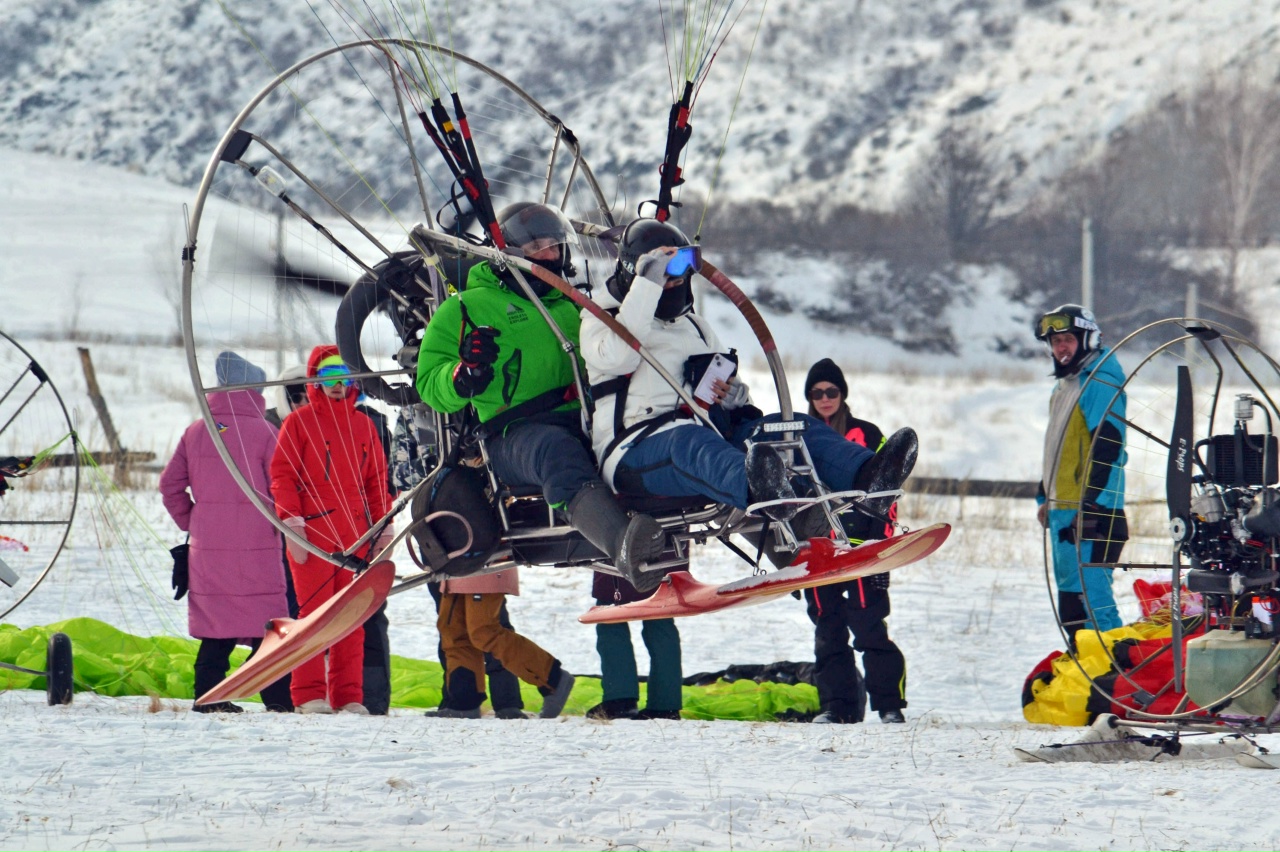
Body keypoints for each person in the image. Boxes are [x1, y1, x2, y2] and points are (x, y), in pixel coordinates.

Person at [578, 218, 918, 557]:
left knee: (790, 425)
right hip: (634, 450)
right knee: (688, 442)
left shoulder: (695, 327)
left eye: (680, 278)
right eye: (664, 279)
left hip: (706, 434)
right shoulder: (599, 319)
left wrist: (736, 399)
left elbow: (719, 383)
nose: (674, 285)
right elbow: (619, 357)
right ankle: (770, 494)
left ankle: (870, 478)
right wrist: (648, 284)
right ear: (636, 276)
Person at [416, 202, 619, 708]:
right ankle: (621, 541)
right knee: (555, 451)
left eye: (554, 246)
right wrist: (465, 376)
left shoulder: (574, 305)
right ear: (510, 255)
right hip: (515, 433)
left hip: (581, 418)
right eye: (535, 250)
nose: (548, 255)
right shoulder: (466, 308)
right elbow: (431, 383)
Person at [159, 351, 292, 713]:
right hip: (259, 547)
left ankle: (209, 697)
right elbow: (282, 488)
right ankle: (277, 699)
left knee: (217, 627)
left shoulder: (196, 431)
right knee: (270, 627)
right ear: (253, 390)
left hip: (209, 548)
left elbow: (169, 485)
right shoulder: (266, 432)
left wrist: (193, 521)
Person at [270, 345, 393, 714]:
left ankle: (348, 696)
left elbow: (376, 482)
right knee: (312, 619)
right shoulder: (298, 422)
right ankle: (308, 694)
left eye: (345, 377)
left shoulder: (364, 425)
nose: (338, 385)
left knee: (350, 621)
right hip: (313, 536)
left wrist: (382, 530)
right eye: (329, 377)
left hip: (356, 537)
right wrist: (293, 526)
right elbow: (282, 476)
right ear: (316, 380)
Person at [390, 408, 530, 719]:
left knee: (486, 617)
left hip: (476, 521)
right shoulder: (415, 413)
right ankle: (465, 699)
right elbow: (401, 474)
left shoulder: (474, 404)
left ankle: (500, 701)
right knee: (453, 616)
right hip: (440, 524)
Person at [801, 358, 907, 725]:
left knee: (869, 629)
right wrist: (791, 559)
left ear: (842, 394)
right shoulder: (797, 439)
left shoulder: (867, 434)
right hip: (818, 553)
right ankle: (838, 707)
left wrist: (883, 554)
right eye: (817, 393)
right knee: (827, 632)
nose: (825, 398)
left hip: (862, 552)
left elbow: (888, 494)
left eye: (832, 391)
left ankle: (889, 706)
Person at [1034, 304, 1128, 639]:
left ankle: (1116, 676)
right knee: (1072, 606)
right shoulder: (1065, 386)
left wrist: (1092, 506)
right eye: (1055, 341)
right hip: (1064, 511)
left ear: (1088, 339)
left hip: (1093, 512)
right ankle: (1083, 677)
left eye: (1068, 339)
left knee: (1094, 604)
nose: (1061, 347)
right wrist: (1044, 497)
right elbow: (1057, 447)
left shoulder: (1099, 382)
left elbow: (1109, 446)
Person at [587, 571, 683, 721]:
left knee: (609, 612)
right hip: (668, 553)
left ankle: (620, 699)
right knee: (661, 614)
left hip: (620, 554)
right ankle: (665, 705)